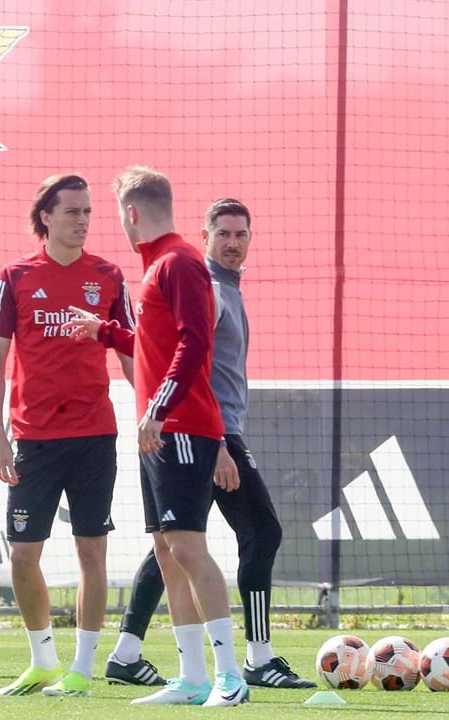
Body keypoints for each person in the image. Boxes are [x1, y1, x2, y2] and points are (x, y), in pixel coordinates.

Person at [103, 199, 314, 689]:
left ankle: (127, 650)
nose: (234, 243)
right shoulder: (209, 287)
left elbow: (155, 343)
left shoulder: (223, 289)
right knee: (256, 533)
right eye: (224, 234)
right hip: (208, 433)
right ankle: (257, 659)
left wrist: (107, 333)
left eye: (242, 234)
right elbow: (186, 356)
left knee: (176, 543)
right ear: (205, 236)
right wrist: (218, 443)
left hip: (208, 430)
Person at [63, 167, 249, 706]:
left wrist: (160, 409)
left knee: (188, 546)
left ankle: (230, 677)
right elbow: (154, 344)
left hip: (182, 426)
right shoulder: (158, 267)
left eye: (115, 214)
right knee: (167, 550)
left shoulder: (181, 262)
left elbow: (194, 343)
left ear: (132, 213)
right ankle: (192, 678)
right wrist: (104, 331)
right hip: (160, 429)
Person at [0, 174, 135, 698]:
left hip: (95, 434)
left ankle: (83, 669)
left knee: (92, 552)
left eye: (88, 211)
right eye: (72, 211)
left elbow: (132, 353)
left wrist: (151, 411)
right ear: (45, 216)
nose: (83, 220)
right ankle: (42, 661)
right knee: (23, 555)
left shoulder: (109, 276)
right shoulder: (15, 276)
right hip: (33, 438)